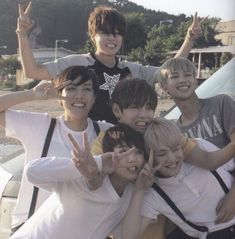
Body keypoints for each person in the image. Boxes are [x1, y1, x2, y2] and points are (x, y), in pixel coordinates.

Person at [16, 2, 205, 123]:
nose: (112, 38)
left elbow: (169, 70)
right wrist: (23, 35)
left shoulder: (131, 69)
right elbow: (33, 71)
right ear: (93, 35)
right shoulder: (77, 63)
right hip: (87, 141)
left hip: (124, 146)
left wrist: (189, 39)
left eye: (117, 33)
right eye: (105, 33)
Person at [0, 66, 112, 233]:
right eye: (71, 89)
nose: (79, 95)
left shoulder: (106, 133)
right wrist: (32, 94)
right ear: (60, 98)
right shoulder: (39, 126)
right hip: (33, 229)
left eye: (86, 89)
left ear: (94, 98)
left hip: (78, 231)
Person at [11, 124, 147, 239]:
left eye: (139, 152)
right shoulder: (83, 177)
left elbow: (125, 235)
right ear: (109, 153)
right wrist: (97, 163)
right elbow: (31, 172)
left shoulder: (132, 193)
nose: (132, 158)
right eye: (124, 151)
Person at [122, 118, 235, 239]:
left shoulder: (200, 147)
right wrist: (140, 190)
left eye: (176, 149)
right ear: (148, 156)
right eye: (161, 154)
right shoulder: (154, 193)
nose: (172, 158)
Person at [157, 57, 235, 227]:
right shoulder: (174, 132)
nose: (183, 80)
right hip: (208, 217)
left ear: (195, 79)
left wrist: (233, 197)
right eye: (175, 76)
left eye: (188, 75)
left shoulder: (221, 104)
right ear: (164, 86)